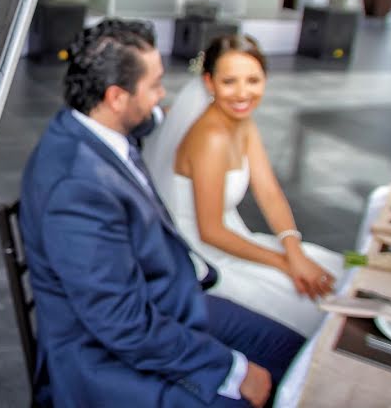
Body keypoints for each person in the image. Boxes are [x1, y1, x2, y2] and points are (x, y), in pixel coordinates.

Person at [19, 20, 304, 408]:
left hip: (165, 296)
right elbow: (122, 324)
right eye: (154, 85)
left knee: (294, 351)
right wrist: (230, 370)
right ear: (118, 97)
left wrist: (168, 111)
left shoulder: (94, 121)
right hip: (103, 356)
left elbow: (152, 118)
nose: (162, 94)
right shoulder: (76, 189)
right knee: (251, 393)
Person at [143, 35, 345, 337]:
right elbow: (209, 231)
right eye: (230, 82)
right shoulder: (211, 138)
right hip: (201, 250)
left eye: (253, 80)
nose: (243, 93)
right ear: (209, 83)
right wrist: (285, 264)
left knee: (334, 272)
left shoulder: (242, 123)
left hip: (231, 234)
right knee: (311, 303)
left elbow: (269, 192)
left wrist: (295, 252)